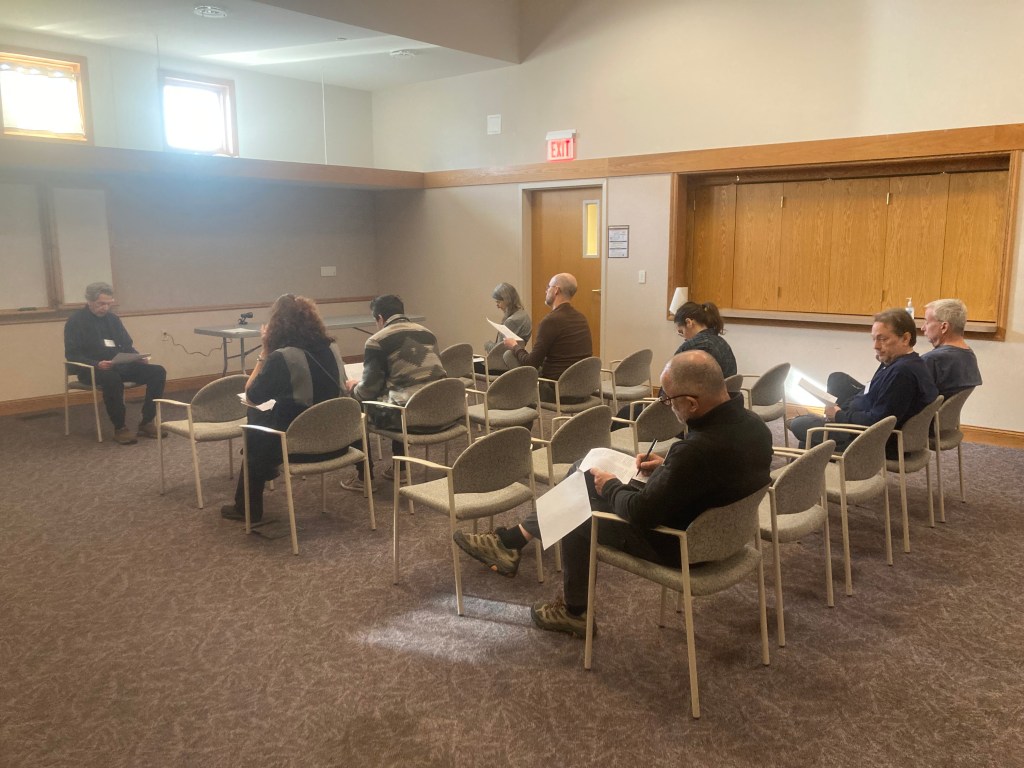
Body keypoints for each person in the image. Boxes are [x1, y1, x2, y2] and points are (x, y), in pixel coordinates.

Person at [452, 350, 773, 637]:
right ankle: (512, 541)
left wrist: (610, 485)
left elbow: (641, 513)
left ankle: (573, 611)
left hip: (680, 544)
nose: (667, 405)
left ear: (691, 403)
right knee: (583, 471)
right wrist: (666, 468)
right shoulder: (755, 427)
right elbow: (715, 476)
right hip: (723, 535)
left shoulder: (696, 451)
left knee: (579, 511)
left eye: (668, 399)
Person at [220, 294, 347, 523]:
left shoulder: (282, 358)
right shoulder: (333, 348)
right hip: (338, 442)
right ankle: (261, 464)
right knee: (266, 426)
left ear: (277, 326)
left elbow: (251, 395)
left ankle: (247, 507)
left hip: (297, 448)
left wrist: (264, 352)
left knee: (255, 420)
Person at [789, 308, 938, 457]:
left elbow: (877, 422)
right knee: (836, 383)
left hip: (869, 441)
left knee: (801, 425)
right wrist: (885, 363)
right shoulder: (910, 363)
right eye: (874, 339)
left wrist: (840, 416)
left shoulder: (901, 373)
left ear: (905, 338)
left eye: (883, 339)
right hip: (869, 428)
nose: (876, 346)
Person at [342, 294, 447, 489]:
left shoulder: (377, 341)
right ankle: (401, 470)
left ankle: (365, 477)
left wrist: (354, 388)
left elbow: (368, 391)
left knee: (357, 403)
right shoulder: (428, 334)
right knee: (403, 393)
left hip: (409, 417)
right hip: (442, 411)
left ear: (380, 318)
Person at [64, 282, 167, 445]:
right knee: (111, 379)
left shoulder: (113, 319)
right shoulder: (76, 321)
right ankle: (120, 428)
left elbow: (126, 345)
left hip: (119, 365)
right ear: (89, 301)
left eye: (108, 304)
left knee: (158, 372)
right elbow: (72, 355)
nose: (105, 308)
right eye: (101, 304)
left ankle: (147, 422)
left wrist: (136, 357)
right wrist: (97, 364)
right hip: (92, 369)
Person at [502, 272, 593, 401]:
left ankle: (522, 402)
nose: (546, 291)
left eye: (548, 287)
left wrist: (514, 346)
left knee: (509, 355)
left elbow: (531, 363)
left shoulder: (551, 321)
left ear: (556, 290)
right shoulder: (581, 318)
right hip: (583, 388)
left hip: (556, 390)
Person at [920, 298, 982, 397]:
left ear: (944, 327)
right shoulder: (969, 356)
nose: (923, 328)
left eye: (927, 322)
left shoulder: (931, 361)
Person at [475, 283, 532, 375]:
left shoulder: (511, 321)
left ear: (507, 301)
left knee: (470, 364)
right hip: (515, 360)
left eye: (498, 302)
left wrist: (487, 345)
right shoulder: (524, 315)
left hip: (502, 366)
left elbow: (498, 351)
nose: (497, 305)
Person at [672, 300, 737, 378]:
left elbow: (673, 376)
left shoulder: (695, 347)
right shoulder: (721, 342)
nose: (684, 337)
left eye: (681, 331)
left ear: (689, 322)